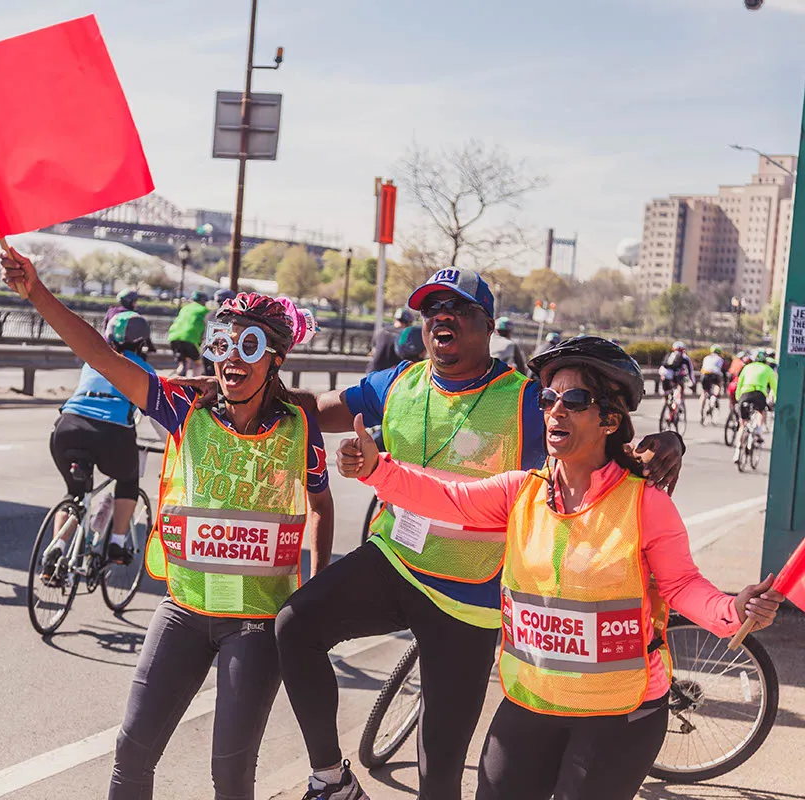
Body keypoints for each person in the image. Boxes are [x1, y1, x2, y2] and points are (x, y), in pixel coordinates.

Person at [262, 268, 684, 800]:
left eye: (459, 309)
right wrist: (253, 384)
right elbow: (316, 410)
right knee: (295, 624)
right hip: (396, 560)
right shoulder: (399, 382)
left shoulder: (527, 399)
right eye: (432, 309)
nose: (443, 317)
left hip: (469, 599)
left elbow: (598, 431)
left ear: (488, 326)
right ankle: (332, 779)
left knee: (438, 772)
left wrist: (669, 441)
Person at [338, 335, 783, 800]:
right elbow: (447, 498)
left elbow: (684, 585)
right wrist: (377, 470)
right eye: (548, 398)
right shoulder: (520, 492)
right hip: (533, 702)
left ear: (609, 420)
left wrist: (733, 609)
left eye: (574, 400)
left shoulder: (644, 503)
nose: (555, 410)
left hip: (619, 713)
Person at [0, 245, 334, 800]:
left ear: (275, 359)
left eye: (249, 346)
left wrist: (315, 592)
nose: (232, 358)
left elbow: (320, 505)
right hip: (183, 610)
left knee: (230, 775)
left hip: (254, 621)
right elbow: (102, 355)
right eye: (222, 343)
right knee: (131, 753)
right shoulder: (185, 407)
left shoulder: (299, 426)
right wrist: (36, 293)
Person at [46, 310, 157, 573]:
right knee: (128, 481)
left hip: (67, 427)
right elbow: (158, 418)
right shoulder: (144, 370)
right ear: (142, 343)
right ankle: (117, 543)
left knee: (76, 494)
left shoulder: (93, 360)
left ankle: (55, 552)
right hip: (112, 433)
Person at [734, 349, 777, 461]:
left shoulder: (747, 367)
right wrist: (775, 400)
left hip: (745, 394)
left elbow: (740, 383)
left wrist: (738, 398)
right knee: (761, 412)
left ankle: (737, 452)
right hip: (759, 394)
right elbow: (774, 387)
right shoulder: (768, 369)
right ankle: (758, 431)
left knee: (742, 424)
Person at [167, 289, 210, 377]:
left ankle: (178, 380)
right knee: (199, 363)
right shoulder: (204, 310)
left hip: (173, 337)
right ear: (203, 301)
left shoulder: (184, 308)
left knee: (184, 362)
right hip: (191, 339)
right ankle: (194, 383)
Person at [366, 308, 411, 373]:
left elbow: (373, 352)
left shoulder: (382, 331)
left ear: (395, 319)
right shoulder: (405, 335)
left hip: (373, 371)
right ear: (408, 323)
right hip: (391, 374)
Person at [659, 341, 694, 405]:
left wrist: (662, 375)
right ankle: (679, 401)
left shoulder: (669, 355)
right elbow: (690, 369)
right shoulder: (685, 357)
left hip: (665, 374)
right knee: (680, 385)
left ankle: (666, 402)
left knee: (667, 391)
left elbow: (663, 365)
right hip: (676, 376)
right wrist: (692, 380)